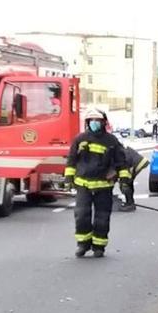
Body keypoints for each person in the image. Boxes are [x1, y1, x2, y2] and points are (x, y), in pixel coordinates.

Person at [64, 109, 130, 258]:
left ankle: (99, 246)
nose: (94, 123)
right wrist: (68, 178)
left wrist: (124, 180)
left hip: (103, 186)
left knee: (102, 217)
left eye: (97, 120)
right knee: (81, 215)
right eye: (91, 120)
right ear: (87, 122)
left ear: (103, 122)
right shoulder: (80, 139)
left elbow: (121, 162)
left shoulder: (111, 141)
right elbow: (71, 160)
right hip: (83, 184)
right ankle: (83, 244)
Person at [117, 145, 150, 212]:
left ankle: (130, 204)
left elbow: (124, 165)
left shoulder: (117, 153)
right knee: (128, 182)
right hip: (137, 162)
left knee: (125, 184)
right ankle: (130, 203)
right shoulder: (117, 148)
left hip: (133, 164)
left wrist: (123, 180)